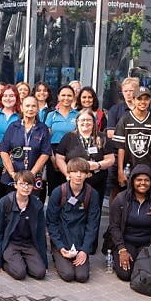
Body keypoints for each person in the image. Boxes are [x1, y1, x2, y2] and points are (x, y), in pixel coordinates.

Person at [55, 108, 114, 254]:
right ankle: (69, 241)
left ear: (94, 122)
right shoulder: (69, 137)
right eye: (82, 120)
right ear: (77, 122)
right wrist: (67, 174)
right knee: (71, 211)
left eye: (89, 120)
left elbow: (111, 159)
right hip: (74, 183)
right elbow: (59, 157)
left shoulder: (102, 138)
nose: (85, 123)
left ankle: (90, 245)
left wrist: (98, 165)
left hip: (96, 183)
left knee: (93, 213)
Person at [107, 165, 151, 281]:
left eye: (147, 180)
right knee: (125, 275)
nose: (143, 183)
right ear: (132, 181)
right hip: (126, 242)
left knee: (147, 273)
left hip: (148, 243)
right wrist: (121, 249)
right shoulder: (121, 199)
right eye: (139, 180)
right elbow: (114, 226)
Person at [46, 158, 101, 283]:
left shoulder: (92, 194)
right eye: (75, 171)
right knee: (68, 275)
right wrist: (60, 247)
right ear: (68, 173)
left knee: (82, 277)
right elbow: (51, 222)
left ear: (87, 174)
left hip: (80, 241)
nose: (78, 175)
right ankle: (57, 255)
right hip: (62, 240)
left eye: (82, 172)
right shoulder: (59, 192)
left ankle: (78, 256)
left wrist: (85, 250)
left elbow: (93, 224)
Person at [0, 170, 48, 280]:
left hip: (28, 244)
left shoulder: (37, 205)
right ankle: (7, 261)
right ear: (15, 185)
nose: (26, 187)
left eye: (29, 184)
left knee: (40, 273)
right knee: (19, 273)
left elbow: (40, 234)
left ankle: (23, 262)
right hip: (11, 243)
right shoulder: (5, 202)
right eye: (22, 184)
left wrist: (44, 262)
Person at [0, 95, 51, 198]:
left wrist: (31, 174)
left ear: (37, 109)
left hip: (34, 177)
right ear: (22, 108)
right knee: (12, 207)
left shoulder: (43, 128)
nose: (30, 109)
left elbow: (45, 153)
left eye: (33, 106)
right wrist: (12, 173)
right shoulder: (13, 127)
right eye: (27, 106)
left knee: (33, 208)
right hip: (13, 176)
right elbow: (4, 150)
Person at [112, 87, 151, 189]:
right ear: (134, 100)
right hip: (129, 168)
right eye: (140, 99)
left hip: (147, 168)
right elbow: (121, 148)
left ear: (150, 100)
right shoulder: (125, 119)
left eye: (146, 99)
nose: (143, 102)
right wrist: (120, 171)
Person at [44, 85, 80, 196]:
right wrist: (52, 158)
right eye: (63, 95)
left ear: (74, 97)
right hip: (53, 152)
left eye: (69, 95)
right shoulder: (51, 115)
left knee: (70, 187)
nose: (66, 98)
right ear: (58, 97)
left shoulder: (78, 115)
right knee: (54, 189)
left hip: (72, 152)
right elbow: (45, 138)